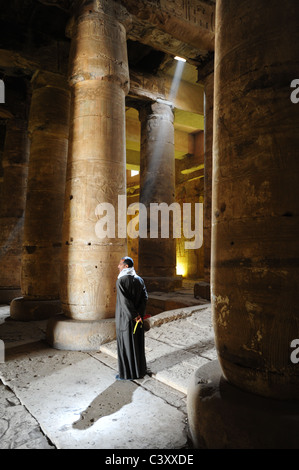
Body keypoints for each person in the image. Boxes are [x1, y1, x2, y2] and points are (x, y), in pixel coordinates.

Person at [115, 256, 148, 380]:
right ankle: (140, 371)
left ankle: (127, 374)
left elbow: (124, 302)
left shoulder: (121, 281)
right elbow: (145, 298)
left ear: (126, 266)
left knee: (126, 344)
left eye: (120, 264)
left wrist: (133, 316)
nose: (118, 266)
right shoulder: (139, 280)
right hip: (137, 318)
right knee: (137, 344)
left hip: (125, 319)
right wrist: (139, 314)